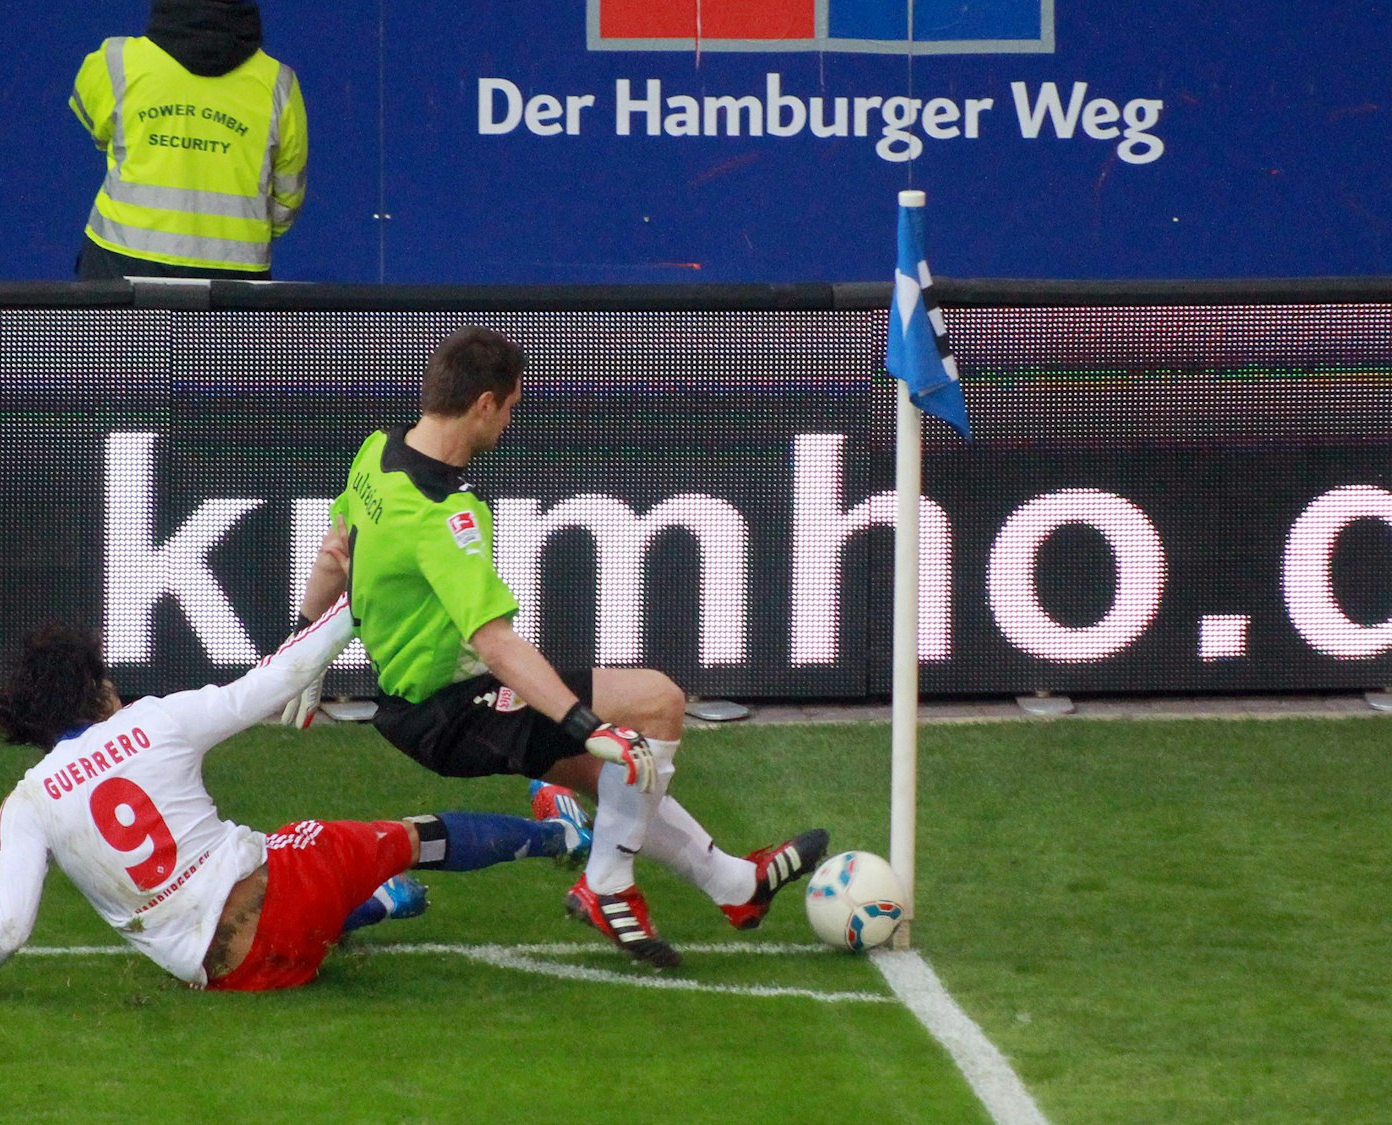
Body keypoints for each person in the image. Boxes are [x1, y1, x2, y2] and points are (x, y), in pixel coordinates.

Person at [0, 527, 586, 997]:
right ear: (96, 688)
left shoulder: (25, 804)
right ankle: (560, 833)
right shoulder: (154, 721)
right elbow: (273, 680)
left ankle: (375, 905)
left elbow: (7, 929)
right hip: (287, 902)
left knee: (280, 861)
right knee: (405, 837)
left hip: (236, 979)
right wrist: (356, 604)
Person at [304, 325, 828, 969]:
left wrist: (300, 645)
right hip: (455, 708)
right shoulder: (443, 514)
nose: (510, 421)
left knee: (612, 779)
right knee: (659, 703)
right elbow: (496, 643)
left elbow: (334, 552)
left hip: (414, 704)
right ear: (485, 403)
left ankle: (737, 887)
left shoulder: (377, 453)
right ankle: (606, 885)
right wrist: (587, 723)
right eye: (512, 407)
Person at [67, 0, 306, 281]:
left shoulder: (116, 61)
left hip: (120, 259)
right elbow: (287, 199)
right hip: (236, 271)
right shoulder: (278, 83)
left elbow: (97, 129)